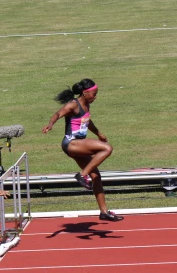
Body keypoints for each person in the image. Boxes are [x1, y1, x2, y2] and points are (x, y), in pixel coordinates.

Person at [42, 78, 123, 222]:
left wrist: (98, 133)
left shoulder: (86, 105)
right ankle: (82, 175)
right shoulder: (73, 105)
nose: (95, 96)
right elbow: (57, 114)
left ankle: (104, 212)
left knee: (96, 177)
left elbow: (87, 121)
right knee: (107, 148)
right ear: (85, 93)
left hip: (80, 145)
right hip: (71, 144)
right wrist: (50, 124)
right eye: (93, 94)